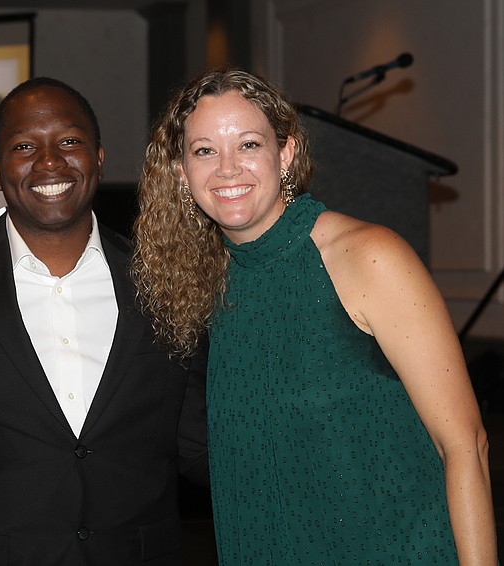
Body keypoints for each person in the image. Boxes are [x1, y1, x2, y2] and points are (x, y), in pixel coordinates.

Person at [131, 66, 497, 564]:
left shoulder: (367, 256)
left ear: (286, 153)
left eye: (248, 145)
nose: (228, 168)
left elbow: (465, 445)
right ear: (181, 172)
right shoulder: (207, 282)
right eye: (204, 151)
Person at [0, 76, 208, 566]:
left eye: (69, 141)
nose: (49, 161)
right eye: (25, 146)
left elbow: (199, 444)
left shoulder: (167, 283)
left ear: (99, 158)